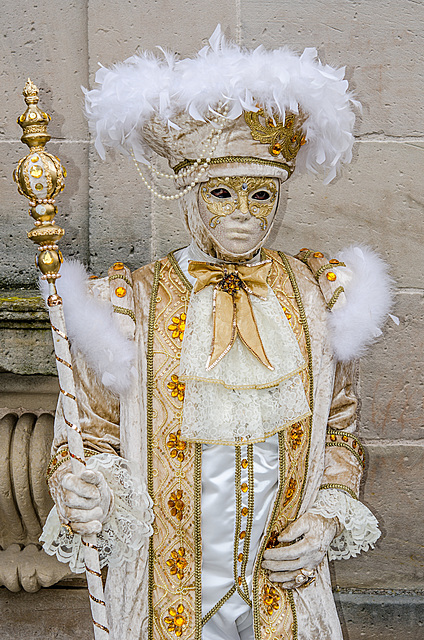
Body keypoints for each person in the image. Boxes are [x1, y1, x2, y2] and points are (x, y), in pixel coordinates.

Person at [40, 27, 392, 640]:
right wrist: (86, 488)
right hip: (166, 586)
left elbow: (339, 428)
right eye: (223, 193)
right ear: (192, 195)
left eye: (261, 196)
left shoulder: (320, 293)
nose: (243, 214)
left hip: (281, 584)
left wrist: (327, 518)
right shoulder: (130, 300)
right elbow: (88, 431)